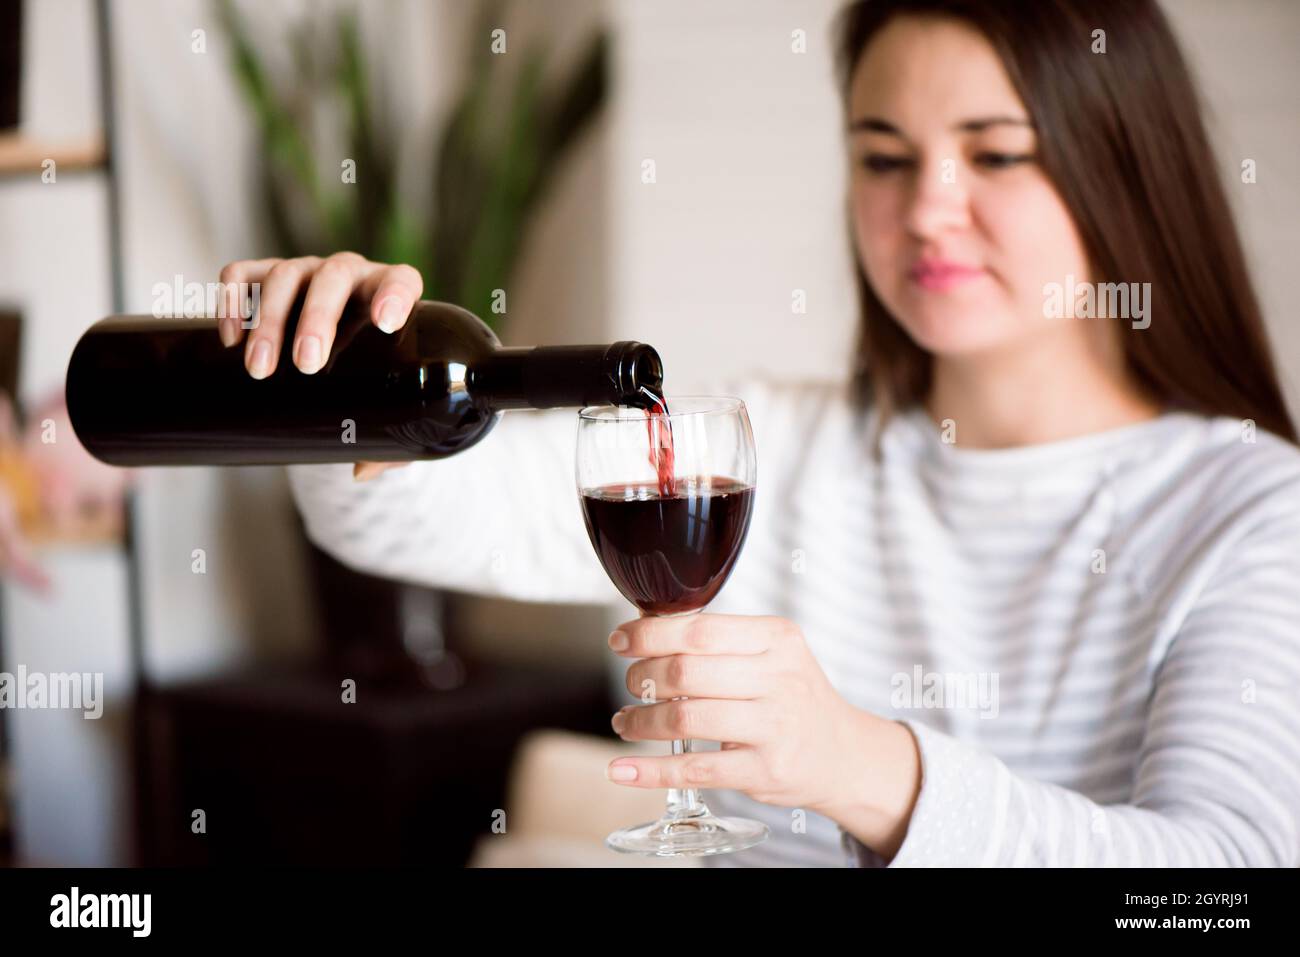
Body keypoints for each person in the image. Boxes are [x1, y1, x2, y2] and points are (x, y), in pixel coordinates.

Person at [218, 0, 1300, 867]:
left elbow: (1221, 881)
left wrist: (861, 768)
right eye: (883, 157)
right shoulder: (774, 443)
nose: (926, 208)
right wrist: (339, 369)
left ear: (1125, 169)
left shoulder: (1253, 513)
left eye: (996, 154)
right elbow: (403, 522)